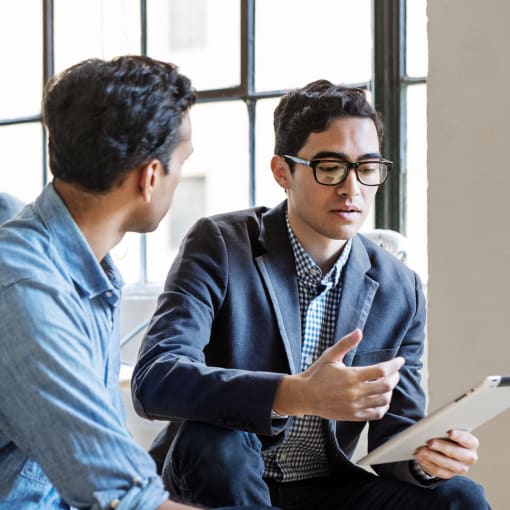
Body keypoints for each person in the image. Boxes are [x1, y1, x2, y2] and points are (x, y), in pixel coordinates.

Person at [131, 80, 491, 510]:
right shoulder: (221, 244)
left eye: (367, 167)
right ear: (283, 171)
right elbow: (156, 379)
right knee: (221, 442)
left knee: (460, 498)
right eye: (330, 166)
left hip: (324, 486)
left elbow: (394, 435)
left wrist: (427, 461)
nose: (351, 188)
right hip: (215, 467)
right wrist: (295, 393)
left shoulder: (400, 288)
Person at [0, 55, 272, 510]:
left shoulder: (79, 268)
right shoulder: (26, 289)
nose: (179, 176)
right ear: (149, 177)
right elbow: (124, 499)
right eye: (181, 163)